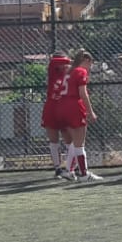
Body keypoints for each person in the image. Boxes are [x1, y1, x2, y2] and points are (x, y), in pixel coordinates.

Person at [60, 50, 100, 181]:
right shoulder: (80, 71)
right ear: (86, 61)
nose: (90, 67)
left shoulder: (69, 72)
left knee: (75, 142)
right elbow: (83, 93)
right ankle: (84, 173)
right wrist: (90, 111)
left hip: (64, 106)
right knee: (80, 143)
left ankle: (69, 170)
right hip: (75, 106)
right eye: (90, 63)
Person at [42, 51, 75, 180]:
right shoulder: (53, 72)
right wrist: (71, 61)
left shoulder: (69, 73)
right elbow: (54, 62)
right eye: (62, 62)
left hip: (64, 108)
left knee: (69, 140)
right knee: (54, 140)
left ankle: (70, 167)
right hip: (51, 108)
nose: (64, 65)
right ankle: (57, 168)